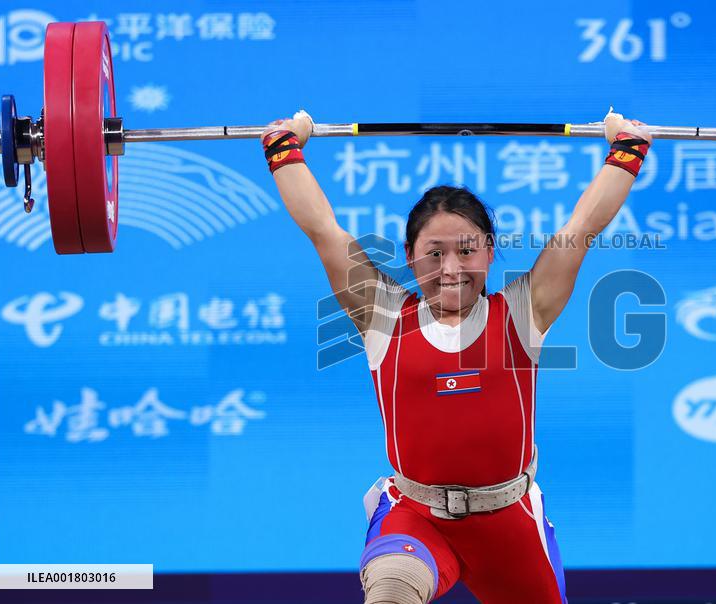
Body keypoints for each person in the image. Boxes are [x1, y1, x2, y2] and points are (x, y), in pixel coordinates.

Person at [260, 109, 652, 603]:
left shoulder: (522, 313)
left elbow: (583, 226)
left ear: (490, 251)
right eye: (434, 252)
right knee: (392, 594)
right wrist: (283, 146)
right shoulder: (382, 315)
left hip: (509, 526)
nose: (450, 268)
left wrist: (627, 150)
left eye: (466, 251)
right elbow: (323, 230)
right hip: (415, 518)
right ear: (408, 254)